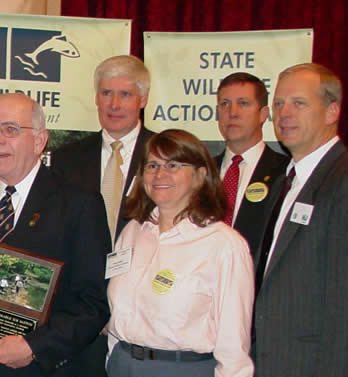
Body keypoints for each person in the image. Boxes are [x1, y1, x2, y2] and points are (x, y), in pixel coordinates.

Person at [0, 93, 111, 377]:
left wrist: (35, 346)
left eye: (10, 129)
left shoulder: (79, 205)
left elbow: (93, 303)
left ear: (39, 141)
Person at [251, 63, 348, 376]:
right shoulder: (284, 180)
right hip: (269, 359)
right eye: (278, 103)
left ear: (332, 112)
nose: (284, 113)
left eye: (298, 103)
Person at [106, 129, 254, 377]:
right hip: (122, 365)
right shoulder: (132, 232)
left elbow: (234, 348)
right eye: (152, 165)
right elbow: (118, 316)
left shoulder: (223, 245)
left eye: (173, 165)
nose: (159, 174)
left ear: (200, 175)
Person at [50, 55, 154, 377]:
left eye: (125, 94)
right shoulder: (66, 160)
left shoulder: (163, 156)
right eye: (106, 93)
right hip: (80, 312)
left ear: (143, 99)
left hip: (144, 312)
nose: (114, 103)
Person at [215, 72, 289, 252]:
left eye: (243, 103)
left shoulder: (285, 172)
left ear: (263, 114)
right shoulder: (201, 171)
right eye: (225, 104)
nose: (232, 113)